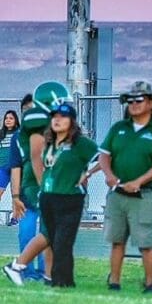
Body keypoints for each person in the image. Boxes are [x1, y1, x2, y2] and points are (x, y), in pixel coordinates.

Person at [4, 103, 97, 288]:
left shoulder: (80, 143)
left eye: (62, 117)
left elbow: (103, 156)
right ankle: (27, 269)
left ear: (72, 122)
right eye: (54, 117)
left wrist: (87, 172)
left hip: (71, 197)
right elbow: (36, 164)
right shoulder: (48, 143)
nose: (57, 120)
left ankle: (53, 277)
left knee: (60, 238)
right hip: (49, 196)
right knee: (51, 236)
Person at [97, 81, 152, 293]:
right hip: (117, 194)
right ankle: (114, 281)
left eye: (139, 100)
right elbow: (104, 155)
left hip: (144, 194)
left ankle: (150, 283)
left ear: (151, 103)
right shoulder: (118, 128)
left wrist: (138, 182)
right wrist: (110, 176)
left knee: (146, 242)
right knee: (116, 240)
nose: (133, 104)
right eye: (130, 100)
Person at [10, 87, 63, 282]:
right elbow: (15, 167)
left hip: (51, 190)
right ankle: (26, 272)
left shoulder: (56, 133)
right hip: (27, 193)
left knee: (47, 234)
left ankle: (46, 273)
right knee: (26, 232)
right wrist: (15, 197)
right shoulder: (17, 138)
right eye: (26, 110)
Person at [0, 109, 18, 214]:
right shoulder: (0, 134)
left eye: (11, 118)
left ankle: (15, 218)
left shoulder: (19, 133)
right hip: (2, 168)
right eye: (6, 118)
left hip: (16, 169)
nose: (8, 120)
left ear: (15, 120)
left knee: (15, 194)